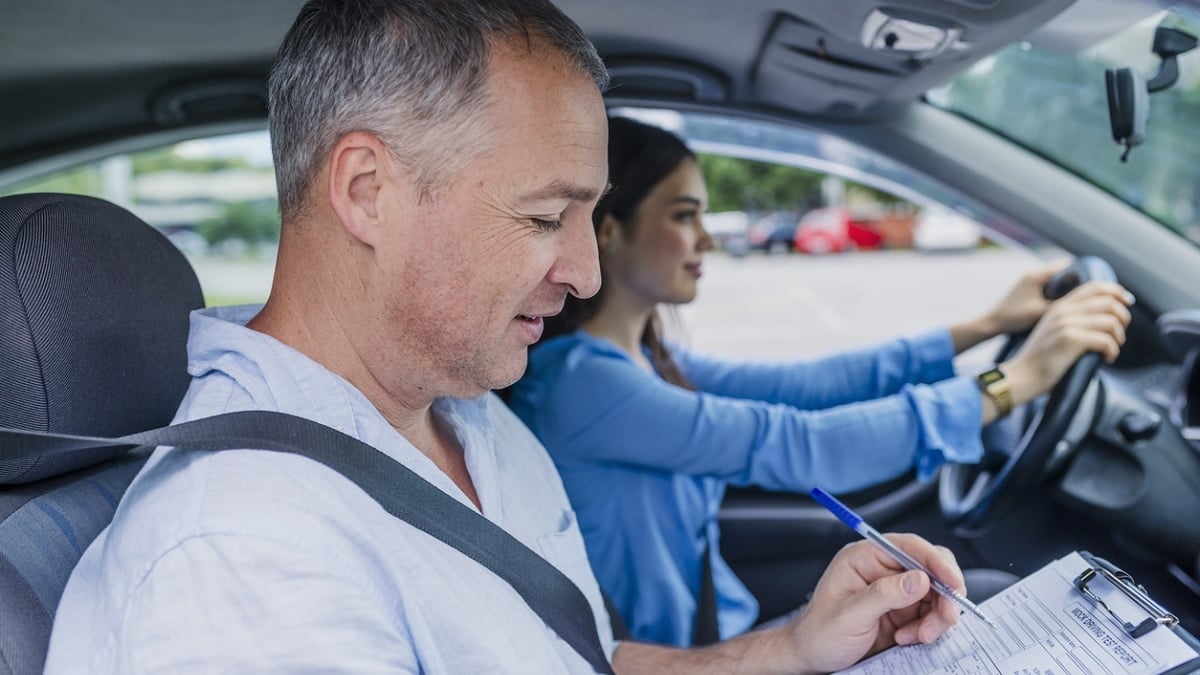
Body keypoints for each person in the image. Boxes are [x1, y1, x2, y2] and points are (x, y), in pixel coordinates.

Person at [48, 1, 974, 672]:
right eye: (543, 219)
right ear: (368, 190)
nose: (586, 274)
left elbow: (579, 658)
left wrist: (792, 647)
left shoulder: (469, 418)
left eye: (590, 217)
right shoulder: (242, 552)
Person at [506, 116, 1134, 647]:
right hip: (683, 657)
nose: (706, 238)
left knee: (979, 605)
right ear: (610, 231)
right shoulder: (581, 385)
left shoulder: (643, 360)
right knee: (989, 606)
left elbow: (805, 387)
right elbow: (800, 444)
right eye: (683, 215)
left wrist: (986, 325)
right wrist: (1013, 382)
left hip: (716, 628)